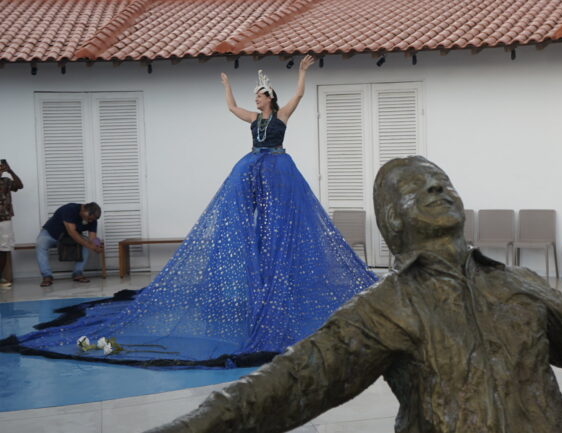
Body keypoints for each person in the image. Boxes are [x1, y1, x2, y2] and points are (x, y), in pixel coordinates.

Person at [147, 156, 562, 433]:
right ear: (393, 220)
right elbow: (289, 385)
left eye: (443, 182)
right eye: (418, 189)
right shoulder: (384, 307)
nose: (440, 190)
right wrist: (195, 426)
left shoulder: (517, 285)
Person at [0, 55, 376, 368]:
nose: (256, 99)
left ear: (270, 98)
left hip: (277, 168)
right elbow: (230, 107)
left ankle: (273, 257)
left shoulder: (281, 118)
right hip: (253, 167)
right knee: (246, 212)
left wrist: (303, 73)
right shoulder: (253, 119)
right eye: (256, 96)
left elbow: (298, 95)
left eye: (260, 94)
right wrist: (226, 85)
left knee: (278, 219)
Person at [35, 202, 102, 287]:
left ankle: (78, 273)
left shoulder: (92, 220)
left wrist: (97, 245)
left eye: (92, 220)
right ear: (83, 210)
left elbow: (93, 238)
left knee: (85, 247)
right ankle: (47, 275)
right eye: (88, 218)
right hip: (51, 234)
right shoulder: (69, 209)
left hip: (70, 238)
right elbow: (72, 232)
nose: (90, 221)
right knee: (40, 243)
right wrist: (89, 245)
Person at [0, 159, 23, 288]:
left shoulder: (6, 182)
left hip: (5, 219)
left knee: (4, 249)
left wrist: (10, 171)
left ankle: (1, 277)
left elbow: (19, 186)